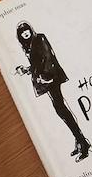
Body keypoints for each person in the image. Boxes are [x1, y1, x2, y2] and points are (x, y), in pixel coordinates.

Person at [15, 21, 90, 162]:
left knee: (61, 109)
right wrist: (26, 69)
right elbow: (37, 64)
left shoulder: (39, 38)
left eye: (26, 30)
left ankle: (83, 143)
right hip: (46, 80)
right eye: (22, 32)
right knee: (61, 110)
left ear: (30, 29)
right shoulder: (29, 45)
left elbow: (48, 58)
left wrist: (46, 77)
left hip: (51, 78)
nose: (25, 33)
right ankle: (80, 140)